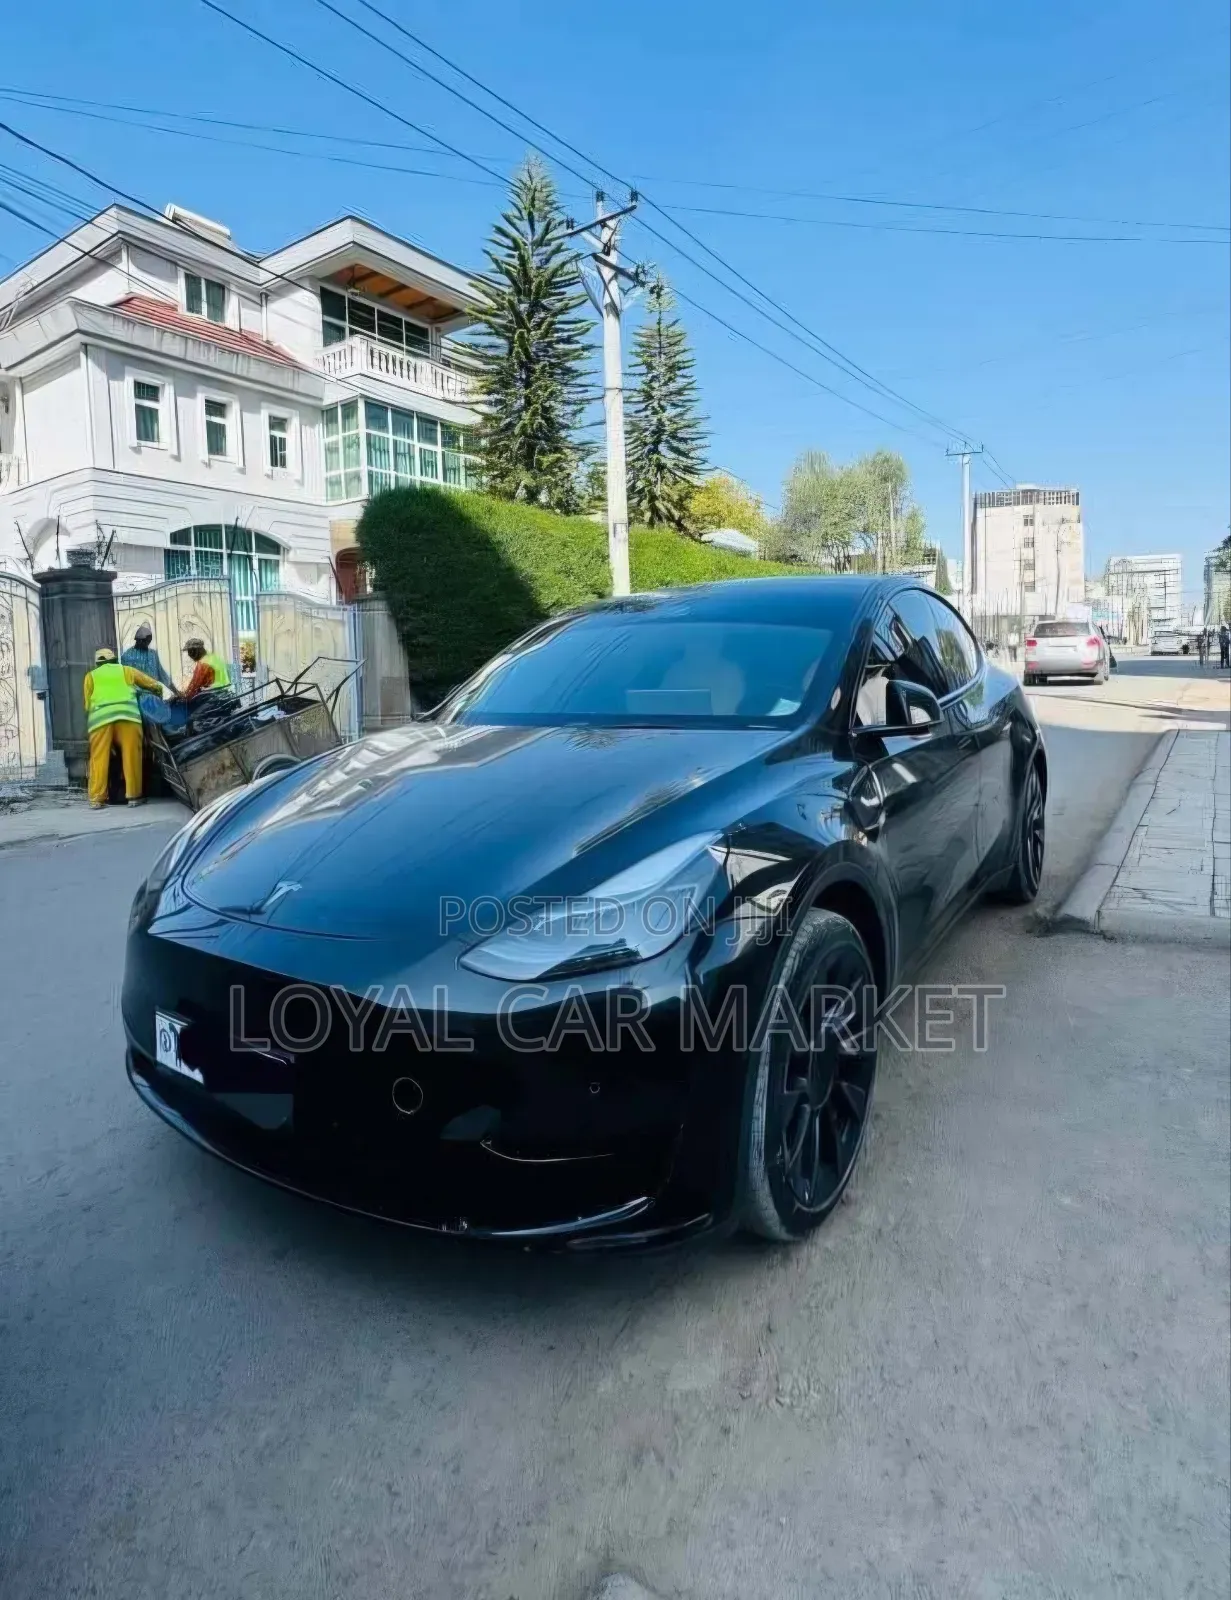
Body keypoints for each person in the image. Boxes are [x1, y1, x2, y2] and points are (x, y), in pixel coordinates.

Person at [83, 648, 164, 809]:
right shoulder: (127, 670)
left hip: (100, 720)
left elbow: (87, 705)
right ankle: (133, 796)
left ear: (97, 663)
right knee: (132, 755)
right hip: (128, 717)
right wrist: (158, 692)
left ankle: (97, 800)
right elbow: (153, 684)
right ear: (115, 660)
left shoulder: (90, 676)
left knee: (98, 758)